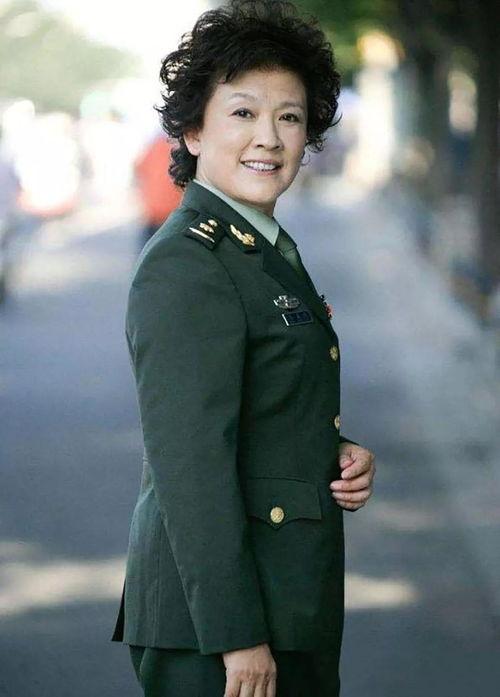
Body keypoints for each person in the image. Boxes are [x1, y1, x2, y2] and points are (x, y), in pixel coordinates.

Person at [111, 1, 376, 695]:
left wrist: (331, 452)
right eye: (243, 112)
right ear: (194, 129)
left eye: (289, 117)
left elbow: (260, 406)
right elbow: (190, 465)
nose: (269, 137)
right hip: (221, 630)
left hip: (286, 598)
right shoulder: (189, 263)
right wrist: (237, 637)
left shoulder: (258, 247)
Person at [133, 129, 183, 251]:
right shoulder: (182, 149)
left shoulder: (153, 147)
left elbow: (138, 170)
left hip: (155, 216)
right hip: (173, 217)